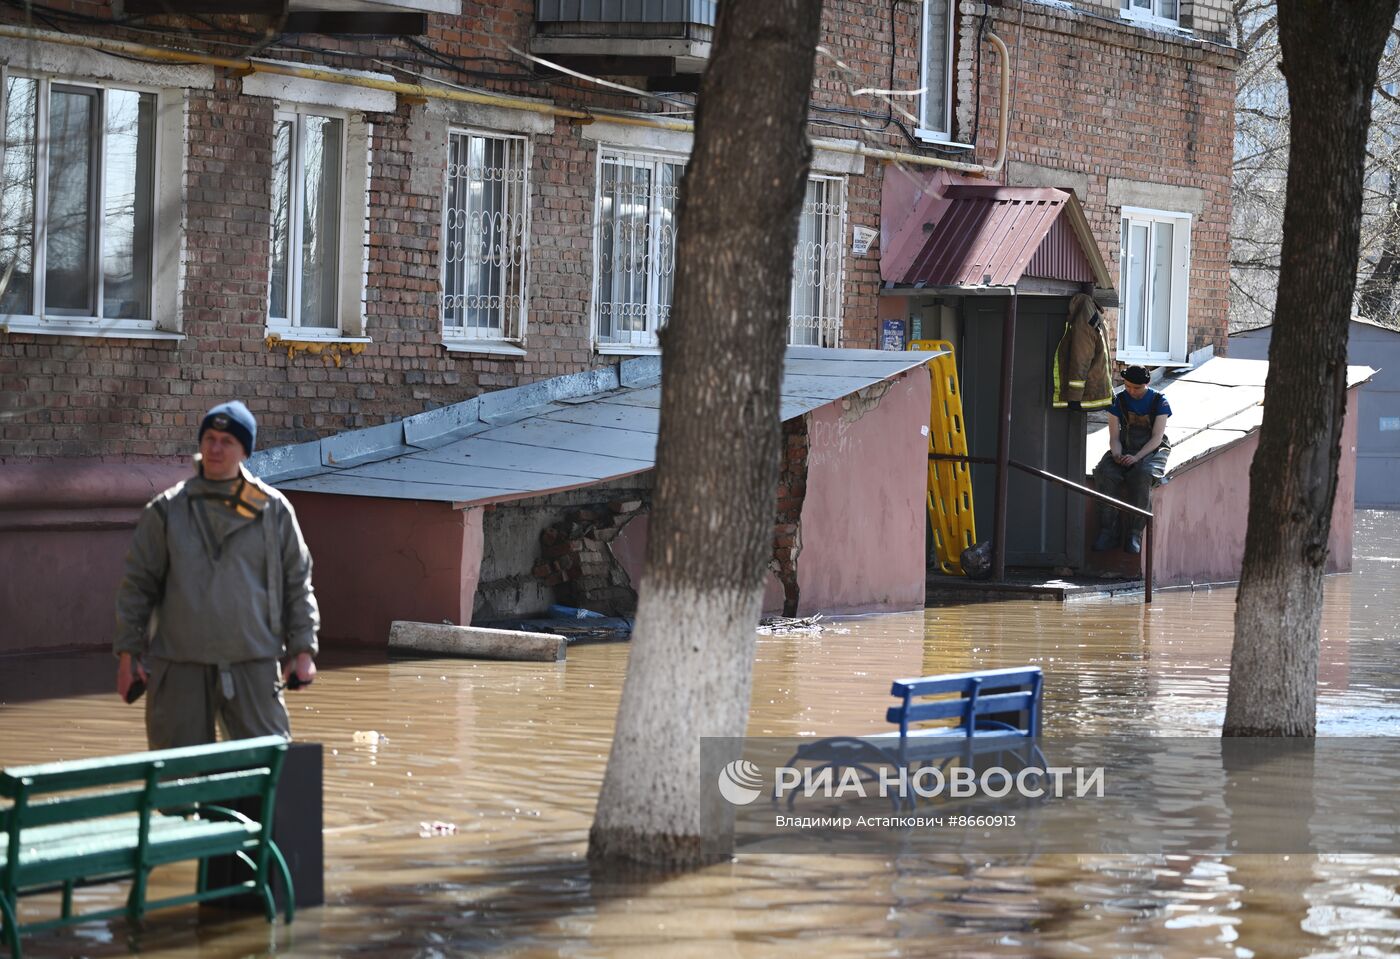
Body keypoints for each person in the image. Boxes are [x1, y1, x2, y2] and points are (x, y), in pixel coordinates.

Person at [114, 400, 319, 748]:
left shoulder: (273, 509)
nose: (215, 448)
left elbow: (297, 583)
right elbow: (137, 586)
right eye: (209, 438)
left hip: (252, 661)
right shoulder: (167, 510)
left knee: (265, 773)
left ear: (245, 450)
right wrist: (128, 655)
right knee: (177, 783)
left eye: (227, 441)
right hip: (180, 665)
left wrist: (303, 652)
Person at [1092, 365, 1171, 555]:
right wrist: (1117, 454)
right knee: (1105, 472)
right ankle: (1108, 531)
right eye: (1128, 386)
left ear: (1147, 384)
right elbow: (1114, 436)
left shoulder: (1159, 401)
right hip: (1125, 447)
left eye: (1137, 388)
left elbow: (1157, 438)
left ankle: (1134, 533)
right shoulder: (1118, 401)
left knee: (1142, 475)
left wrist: (1136, 457)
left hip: (1151, 450)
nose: (1132, 391)